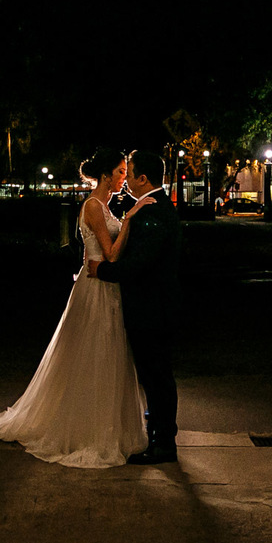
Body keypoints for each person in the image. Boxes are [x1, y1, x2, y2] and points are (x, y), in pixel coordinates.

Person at [0, 148, 151, 468]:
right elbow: (111, 254)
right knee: (93, 353)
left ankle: (108, 423)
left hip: (108, 287)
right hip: (97, 289)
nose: (123, 178)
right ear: (105, 175)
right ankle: (86, 427)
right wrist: (129, 220)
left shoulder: (103, 205)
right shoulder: (92, 206)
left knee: (108, 352)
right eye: (119, 172)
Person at [89, 150, 182, 464]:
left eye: (129, 174)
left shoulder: (153, 211)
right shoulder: (152, 208)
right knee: (154, 378)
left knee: (157, 379)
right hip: (153, 308)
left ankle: (164, 444)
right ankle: (158, 436)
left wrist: (101, 271)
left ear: (143, 179)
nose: (125, 179)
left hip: (152, 310)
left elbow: (139, 264)